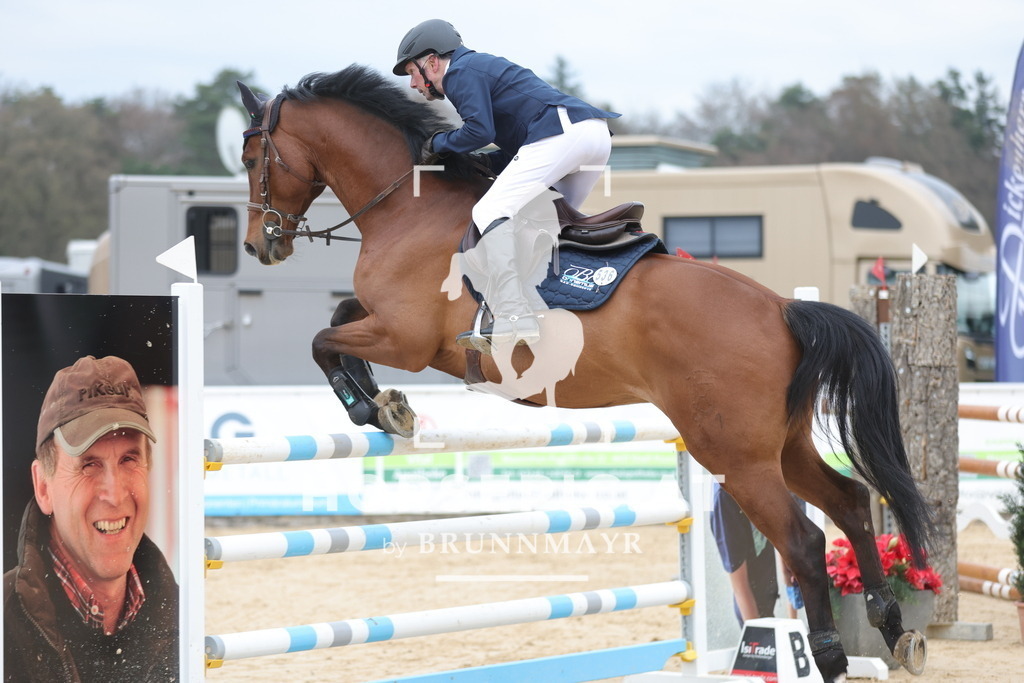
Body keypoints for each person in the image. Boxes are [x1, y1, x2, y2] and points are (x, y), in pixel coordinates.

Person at [393, 19, 620, 350]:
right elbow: (513, 147)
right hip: (590, 136)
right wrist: (484, 162)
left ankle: (514, 316)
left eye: (412, 72)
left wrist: (436, 144)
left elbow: (479, 132)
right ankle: (562, 301)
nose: (413, 83)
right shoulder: (476, 68)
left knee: (490, 210)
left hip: (564, 134)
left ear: (432, 62)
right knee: (547, 222)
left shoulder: (460, 71)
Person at [3, 355, 179, 682]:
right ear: (43, 487)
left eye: (129, 459)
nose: (114, 495)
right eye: (89, 465)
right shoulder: (4, 626)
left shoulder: (190, 619)